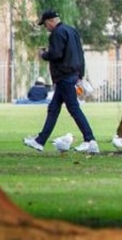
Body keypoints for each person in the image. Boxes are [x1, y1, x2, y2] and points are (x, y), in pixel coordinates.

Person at [24, 11, 98, 154]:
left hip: (64, 76)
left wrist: (44, 55)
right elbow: (80, 54)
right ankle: (40, 141)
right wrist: (80, 74)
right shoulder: (72, 31)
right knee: (53, 108)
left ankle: (90, 139)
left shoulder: (57, 34)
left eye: (46, 24)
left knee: (73, 108)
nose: (46, 28)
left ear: (50, 21)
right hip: (72, 74)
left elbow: (56, 54)